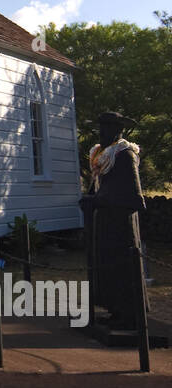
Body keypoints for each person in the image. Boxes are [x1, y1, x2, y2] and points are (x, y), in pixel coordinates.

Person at [79, 110, 148, 332]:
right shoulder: (103, 155)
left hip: (121, 223)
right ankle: (115, 310)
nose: (103, 133)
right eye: (101, 128)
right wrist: (91, 199)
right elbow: (100, 185)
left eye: (108, 128)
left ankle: (129, 314)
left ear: (117, 131)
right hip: (105, 221)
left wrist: (99, 200)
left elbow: (131, 193)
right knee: (107, 267)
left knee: (123, 267)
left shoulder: (124, 154)